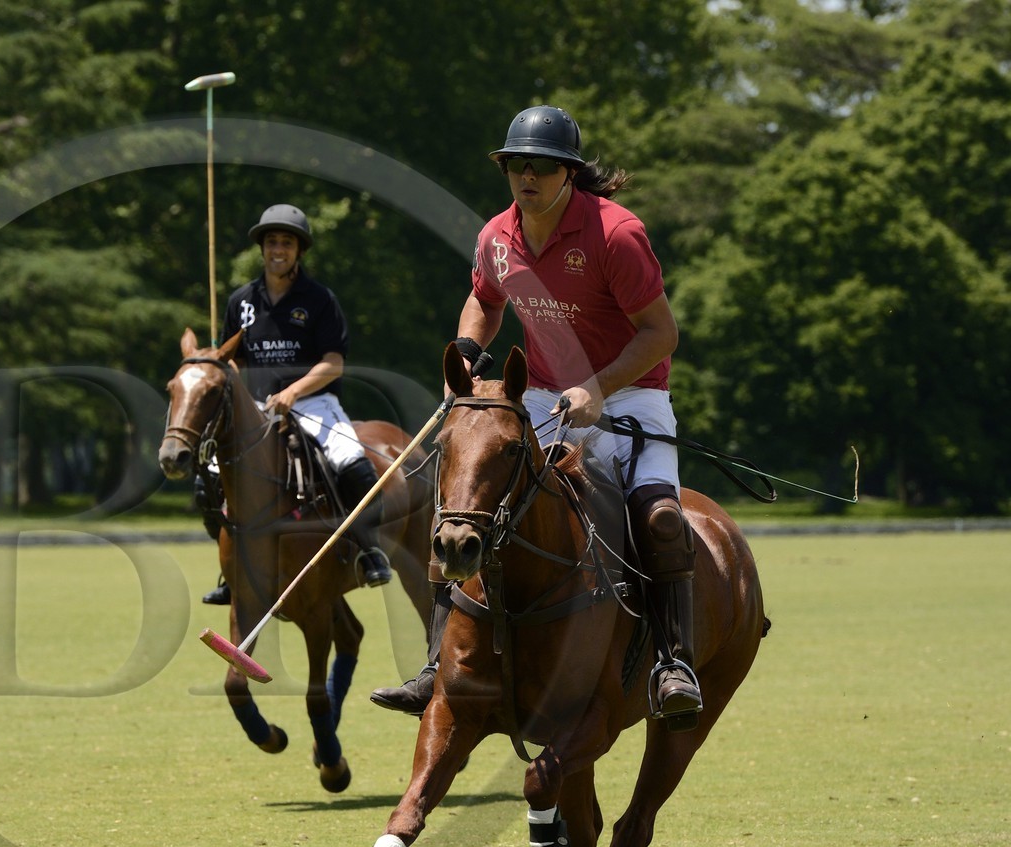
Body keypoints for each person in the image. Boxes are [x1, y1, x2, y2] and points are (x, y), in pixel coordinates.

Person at [370, 105, 703, 723]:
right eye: (516, 166)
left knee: (657, 518)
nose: (527, 177)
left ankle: (672, 663)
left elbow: (660, 334)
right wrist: (468, 352)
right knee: (468, 502)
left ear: (568, 174)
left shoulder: (616, 234)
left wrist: (596, 392)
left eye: (541, 167)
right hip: (542, 397)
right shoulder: (498, 236)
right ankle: (438, 666)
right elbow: (483, 300)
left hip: (630, 395)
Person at [197, 204, 391, 605]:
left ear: (299, 250)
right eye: (271, 242)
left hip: (314, 404)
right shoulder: (241, 301)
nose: (277, 249)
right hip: (255, 407)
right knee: (207, 481)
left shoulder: (318, 299)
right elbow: (236, 357)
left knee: (353, 466)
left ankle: (369, 550)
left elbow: (333, 363)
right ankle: (231, 567)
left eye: (286, 242)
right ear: (263, 248)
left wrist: (294, 392)